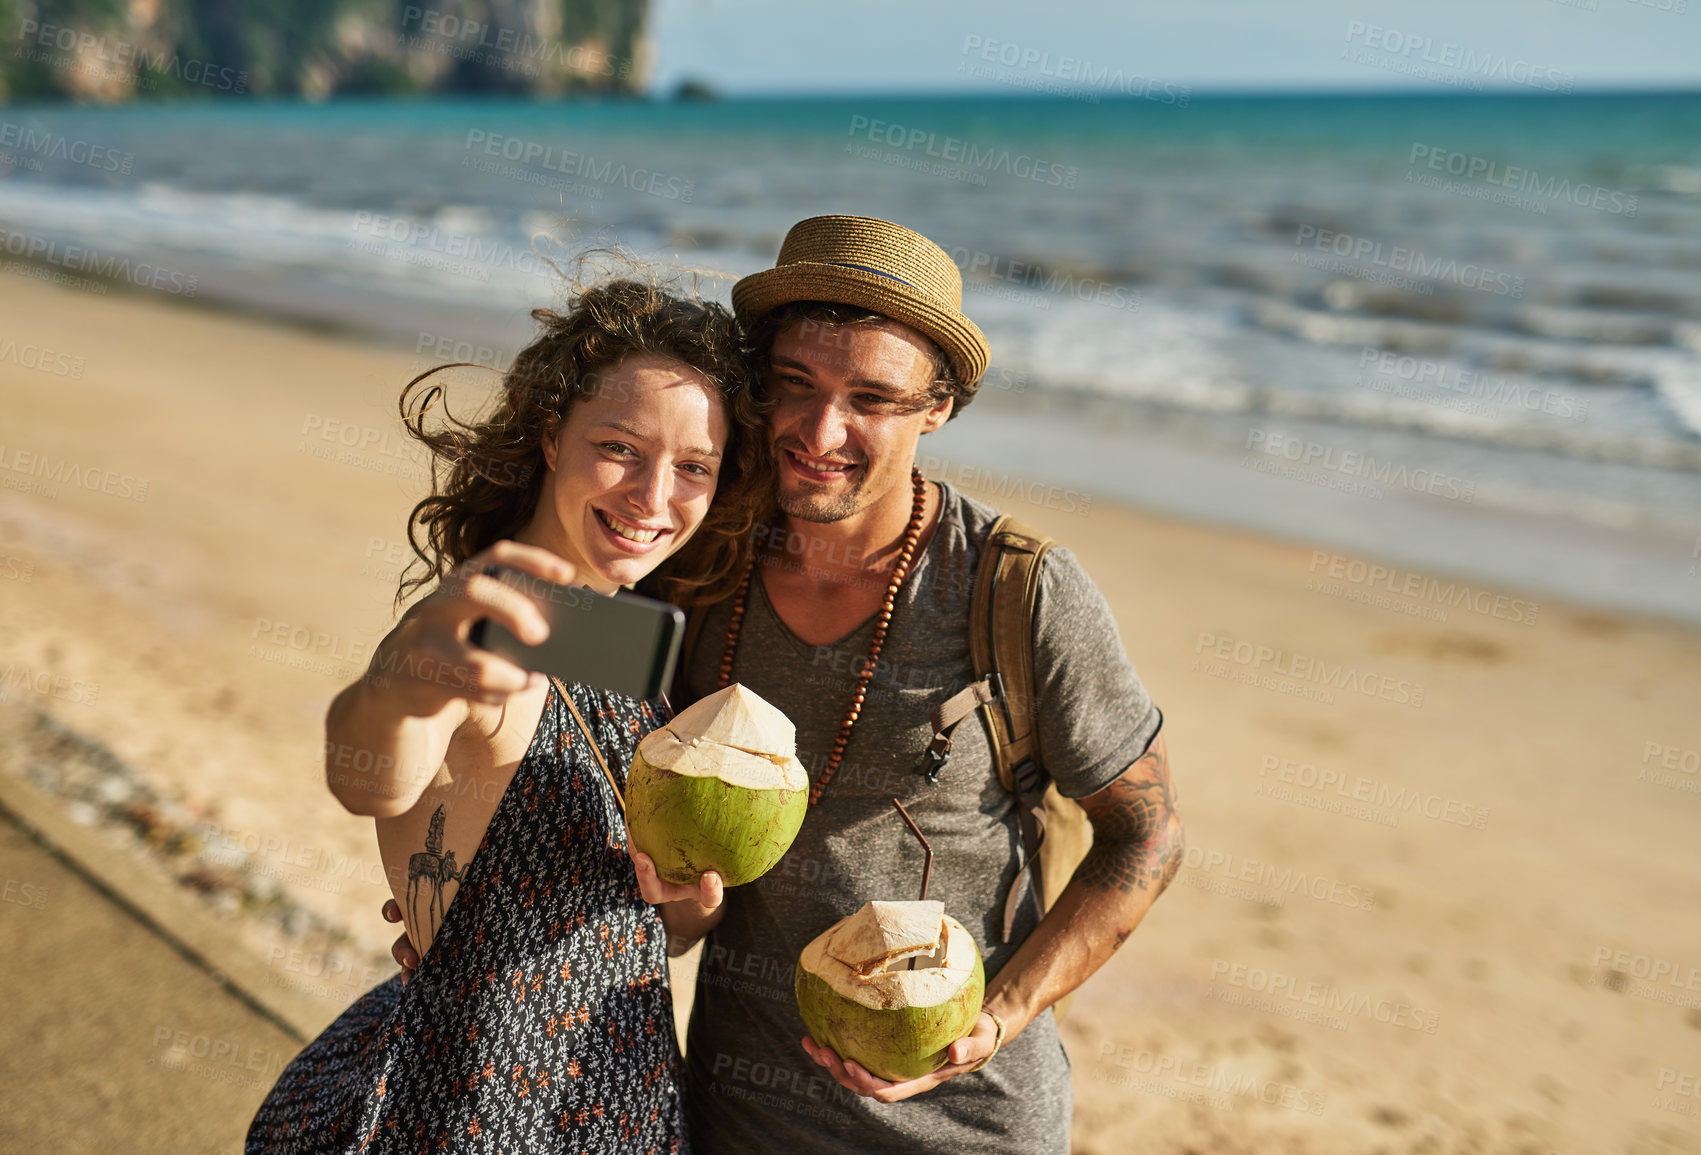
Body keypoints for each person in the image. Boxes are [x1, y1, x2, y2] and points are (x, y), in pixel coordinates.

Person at [662, 215, 1185, 1155]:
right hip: (741, 1112)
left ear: (938, 407)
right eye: (795, 385)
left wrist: (1003, 1014)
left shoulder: (1016, 589)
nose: (822, 432)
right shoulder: (695, 558)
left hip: (968, 1125)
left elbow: (1146, 831)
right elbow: (536, 706)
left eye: (872, 397)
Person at [246, 277, 768, 1154]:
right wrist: (407, 690)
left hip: (610, 1106)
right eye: (619, 448)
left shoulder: (618, 643)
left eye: (692, 469)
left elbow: (643, 930)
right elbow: (372, 769)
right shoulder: (475, 629)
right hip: (475, 1113)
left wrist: (686, 904)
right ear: (551, 435)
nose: (652, 496)